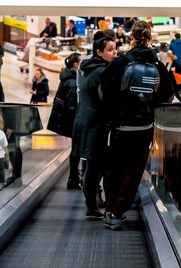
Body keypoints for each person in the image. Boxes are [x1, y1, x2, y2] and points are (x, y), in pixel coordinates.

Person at [98, 20, 174, 231]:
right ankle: (117, 212)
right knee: (133, 170)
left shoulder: (120, 63)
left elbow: (104, 92)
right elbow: (168, 95)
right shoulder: (157, 65)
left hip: (120, 127)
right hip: (144, 127)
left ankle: (109, 207)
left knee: (113, 167)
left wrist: (112, 116)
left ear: (131, 38)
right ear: (149, 39)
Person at [75, 31, 116, 221]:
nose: (114, 53)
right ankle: (91, 207)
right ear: (99, 52)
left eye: (115, 48)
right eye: (110, 50)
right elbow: (105, 100)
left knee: (92, 165)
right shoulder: (101, 72)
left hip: (86, 120)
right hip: (95, 124)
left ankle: (92, 203)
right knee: (94, 166)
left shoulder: (87, 68)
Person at [48, 54, 81, 187]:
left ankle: (74, 177)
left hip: (69, 121)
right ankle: (73, 178)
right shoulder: (73, 83)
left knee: (76, 149)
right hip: (73, 122)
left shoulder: (66, 78)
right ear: (76, 64)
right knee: (77, 150)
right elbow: (73, 106)